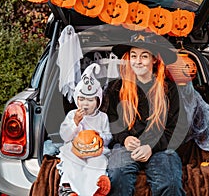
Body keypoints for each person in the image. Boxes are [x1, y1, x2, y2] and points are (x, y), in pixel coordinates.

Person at [103, 33, 186, 195]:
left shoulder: (169, 90)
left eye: (144, 56)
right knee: (117, 176)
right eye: (133, 55)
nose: (138, 61)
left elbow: (176, 128)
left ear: (154, 59)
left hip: (161, 147)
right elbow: (111, 120)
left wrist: (151, 147)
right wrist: (124, 138)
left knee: (170, 182)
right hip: (126, 147)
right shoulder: (116, 88)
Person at [57, 63, 112, 196]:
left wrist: (99, 136)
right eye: (81, 99)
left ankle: (94, 191)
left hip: (95, 152)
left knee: (98, 164)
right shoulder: (72, 115)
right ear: (76, 99)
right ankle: (69, 190)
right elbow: (64, 136)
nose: (85, 104)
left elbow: (108, 137)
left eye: (90, 100)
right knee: (71, 163)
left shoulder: (102, 117)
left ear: (98, 101)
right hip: (75, 150)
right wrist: (75, 123)